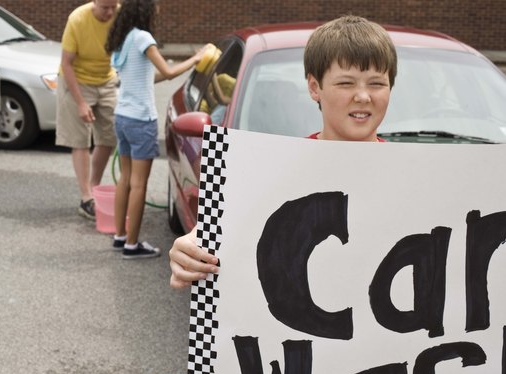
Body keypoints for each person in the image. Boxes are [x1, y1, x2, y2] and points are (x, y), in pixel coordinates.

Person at [169, 15, 397, 286]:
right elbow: (219, 231)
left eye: (376, 83)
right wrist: (190, 250)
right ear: (315, 87)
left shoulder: (418, 174)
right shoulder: (270, 168)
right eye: (346, 83)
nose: (363, 96)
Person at [105, 0, 205, 259]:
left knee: (125, 180)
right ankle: (132, 245)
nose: (158, 9)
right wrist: (196, 59)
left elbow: (150, 76)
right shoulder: (143, 37)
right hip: (141, 121)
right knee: (139, 184)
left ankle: (120, 237)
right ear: (145, 9)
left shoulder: (124, 38)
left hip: (123, 117)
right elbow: (169, 72)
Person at [56, 0, 120, 220]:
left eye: (114, 6)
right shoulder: (78, 19)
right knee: (80, 139)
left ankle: (94, 187)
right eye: (105, 8)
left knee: (109, 136)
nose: (110, 12)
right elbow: (66, 63)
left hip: (106, 80)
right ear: (94, 2)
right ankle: (86, 198)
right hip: (77, 79)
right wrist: (81, 102)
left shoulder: (119, 15)